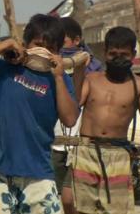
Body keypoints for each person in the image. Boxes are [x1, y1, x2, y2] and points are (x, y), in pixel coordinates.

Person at [0, 14, 81, 214]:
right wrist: (7, 44)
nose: (43, 52)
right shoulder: (6, 70)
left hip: (39, 174)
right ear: (26, 44)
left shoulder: (60, 80)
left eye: (51, 49)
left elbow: (70, 119)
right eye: (38, 44)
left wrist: (59, 78)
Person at [70, 26, 140, 214]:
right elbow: (75, 103)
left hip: (118, 154)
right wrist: (79, 71)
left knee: (117, 209)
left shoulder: (139, 85)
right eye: (113, 53)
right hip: (87, 150)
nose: (118, 58)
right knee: (82, 208)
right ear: (105, 53)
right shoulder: (92, 79)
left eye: (124, 54)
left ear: (133, 54)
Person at [52, 16, 102, 214]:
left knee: (69, 198)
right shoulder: (49, 67)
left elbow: (79, 101)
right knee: (59, 200)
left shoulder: (94, 71)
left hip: (80, 145)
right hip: (54, 142)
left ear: (77, 40)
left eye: (63, 42)